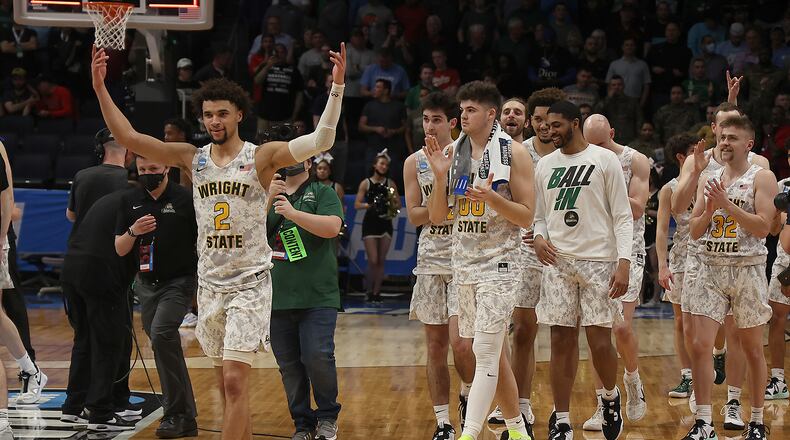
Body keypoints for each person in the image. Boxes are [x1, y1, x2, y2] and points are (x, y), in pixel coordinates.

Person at [90, 41, 346, 438]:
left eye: (222, 113)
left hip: (250, 284)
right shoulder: (193, 157)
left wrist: (337, 87)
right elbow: (131, 137)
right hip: (210, 286)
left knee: (235, 382)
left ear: (239, 114)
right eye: (208, 114)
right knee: (227, 391)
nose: (214, 120)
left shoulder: (261, 156)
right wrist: (100, 88)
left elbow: (321, 140)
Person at [424, 81, 535, 440]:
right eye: (462, 109)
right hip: (464, 263)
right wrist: (439, 177)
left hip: (500, 262)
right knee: (488, 353)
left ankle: (469, 433)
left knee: (485, 350)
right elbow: (437, 217)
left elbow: (526, 216)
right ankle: (517, 430)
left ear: (490, 114)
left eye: (471, 110)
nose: (463, 116)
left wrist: (492, 199)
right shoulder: (452, 152)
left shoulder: (514, 153)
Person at [532, 101, 632, 440]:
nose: (550, 131)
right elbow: (539, 216)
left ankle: (610, 397)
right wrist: (539, 238)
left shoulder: (604, 160)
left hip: (599, 262)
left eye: (557, 125)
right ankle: (561, 419)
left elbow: (623, 216)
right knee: (560, 340)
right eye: (547, 125)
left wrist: (624, 262)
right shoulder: (545, 165)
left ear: (575, 124)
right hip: (558, 262)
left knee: (599, 341)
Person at [685, 115, 775, 440]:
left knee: (752, 348)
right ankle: (703, 423)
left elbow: (764, 227)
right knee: (700, 345)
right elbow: (695, 231)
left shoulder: (762, 177)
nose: (725, 143)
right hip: (710, 268)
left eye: (732, 138)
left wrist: (726, 204)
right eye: (722, 137)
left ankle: (757, 421)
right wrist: (710, 210)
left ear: (748, 144)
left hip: (747, 268)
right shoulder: (707, 178)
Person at [488, 89, 566, 429]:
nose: (544, 125)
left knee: (566, 334)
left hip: (566, 250)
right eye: (538, 119)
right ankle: (519, 404)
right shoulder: (519, 153)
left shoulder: (571, 154)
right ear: (531, 122)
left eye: (550, 119)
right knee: (521, 330)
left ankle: (583, 406)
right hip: (526, 248)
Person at [403, 92, 475, 440]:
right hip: (431, 259)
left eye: (436, 120)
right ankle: (443, 422)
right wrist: (438, 197)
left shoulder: (469, 155)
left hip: (464, 258)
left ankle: (469, 394)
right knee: (435, 346)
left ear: (452, 123)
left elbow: (449, 211)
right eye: (425, 119)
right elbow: (418, 216)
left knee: (462, 344)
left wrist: (438, 207)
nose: (429, 126)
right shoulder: (413, 162)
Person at [114, 156, 199, 438]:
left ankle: (174, 413)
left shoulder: (185, 199)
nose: (148, 174)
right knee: (165, 346)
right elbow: (120, 248)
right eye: (142, 170)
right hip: (146, 284)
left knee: (162, 335)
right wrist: (133, 231)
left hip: (179, 282)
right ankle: (185, 416)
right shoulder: (129, 200)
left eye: (153, 169)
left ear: (166, 168)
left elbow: (201, 240)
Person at [266, 158, 344, 440]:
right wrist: (268, 199)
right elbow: (249, 234)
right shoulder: (268, 194)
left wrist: (293, 213)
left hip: (318, 295)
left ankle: (327, 417)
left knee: (317, 357)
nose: (291, 161)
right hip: (276, 296)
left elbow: (332, 227)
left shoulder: (323, 192)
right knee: (289, 367)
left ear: (309, 162)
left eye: (298, 155)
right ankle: (302, 424)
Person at [582, 114, 650, 430]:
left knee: (621, 328)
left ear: (613, 132)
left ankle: (633, 379)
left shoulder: (635, 160)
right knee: (598, 333)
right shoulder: (581, 162)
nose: (597, 149)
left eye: (602, 143)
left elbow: (637, 208)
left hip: (628, 252)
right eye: (591, 144)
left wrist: (603, 187)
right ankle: (603, 402)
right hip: (595, 253)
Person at [0, 143, 46, 438]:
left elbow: (7, 198)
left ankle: (28, 371)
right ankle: (30, 369)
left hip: (0, 238)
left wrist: (1, 240)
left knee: (10, 304)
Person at [656, 134, 698, 399]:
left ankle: (716, 357)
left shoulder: (712, 180)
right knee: (682, 321)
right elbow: (661, 231)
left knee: (708, 321)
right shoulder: (669, 189)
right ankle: (687, 377)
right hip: (682, 258)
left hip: (710, 256)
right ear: (681, 157)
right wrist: (662, 266)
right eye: (694, 151)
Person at [354, 151, 400, 303]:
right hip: (370, 223)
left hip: (385, 223)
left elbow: (398, 204)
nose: (384, 167)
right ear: (375, 165)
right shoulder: (366, 183)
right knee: (372, 260)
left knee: (381, 260)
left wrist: (389, 205)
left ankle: (376, 292)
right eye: (381, 163)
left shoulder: (390, 183)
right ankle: (368, 289)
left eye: (386, 165)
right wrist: (371, 205)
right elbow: (357, 204)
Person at [765, 170, 790, 402]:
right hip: (783, 263)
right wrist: (776, 212)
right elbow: (773, 231)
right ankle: (778, 381)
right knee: (776, 319)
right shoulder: (782, 185)